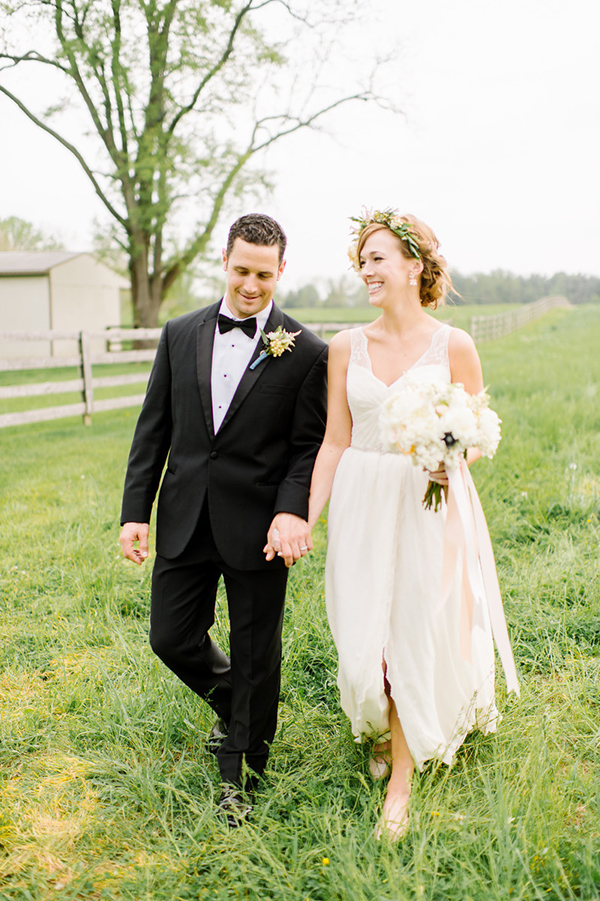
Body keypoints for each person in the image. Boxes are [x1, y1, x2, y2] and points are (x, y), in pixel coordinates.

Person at [307, 209, 519, 841]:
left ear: (413, 265)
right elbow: (333, 442)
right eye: (362, 261)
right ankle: (379, 723)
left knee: (412, 624)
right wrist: (306, 518)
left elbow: (479, 429)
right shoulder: (345, 347)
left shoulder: (453, 344)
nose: (366, 271)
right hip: (363, 497)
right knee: (361, 634)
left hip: (433, 497)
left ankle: (400, 782)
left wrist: (449, 457)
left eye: (376, 259)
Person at [119, 213, 327, 826]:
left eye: (264, 274)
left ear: (281, 271)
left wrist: (291, 512)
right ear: (225, 262)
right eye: (241, 270)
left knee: (257, 649)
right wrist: (137, 512)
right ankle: (245, 708)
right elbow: (152, 429)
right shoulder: (178, 334)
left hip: (260, 527)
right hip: (184, 515)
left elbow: (307, 446)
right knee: (171, 637)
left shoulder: (305, 350)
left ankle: (241, 768)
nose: (251, 286)